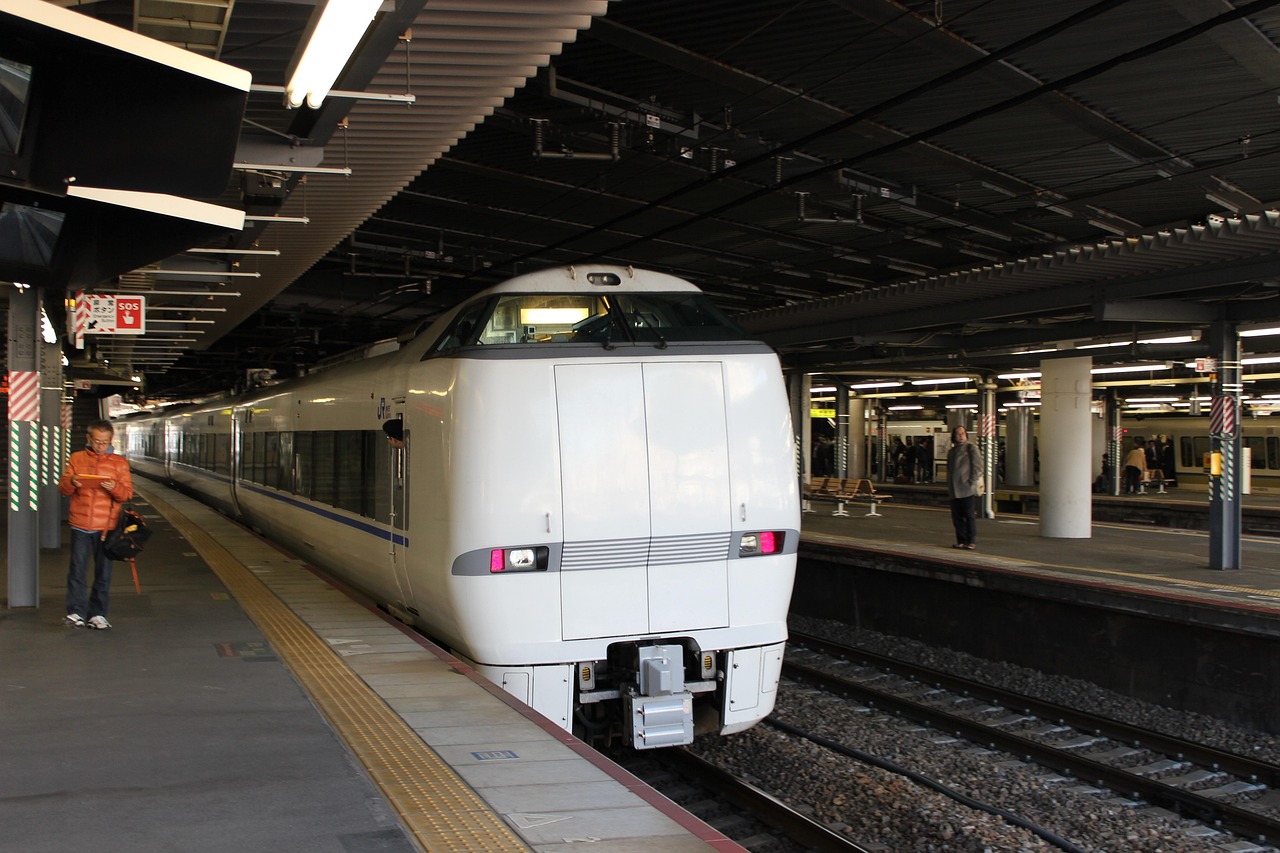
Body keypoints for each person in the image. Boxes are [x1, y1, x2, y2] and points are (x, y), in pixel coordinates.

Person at [58, 419, 133, 629]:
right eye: (97, 441)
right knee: (77, 570)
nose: (101, 446)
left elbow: (126, 494)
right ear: (89, 439)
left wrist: (113, 487)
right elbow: (63, 488)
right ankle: (76, 612)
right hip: (80, 523)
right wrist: (72, 482)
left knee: (103, 572)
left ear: (111, 440)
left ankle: (98, 614)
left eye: (105, 442)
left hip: (107, 527)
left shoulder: (119, 463)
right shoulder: (77, 458)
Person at [946, 425, 983, 550]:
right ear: (954, 436)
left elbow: (978, 466)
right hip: (954, 489)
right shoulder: (952, 451)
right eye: (958, 434)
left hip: (967, 488)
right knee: (957, 517)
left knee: (969, 515)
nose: (961, 436)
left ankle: (971, 541)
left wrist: (971, 482)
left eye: (963, 433)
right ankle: (961, 540)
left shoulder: (971, 448)